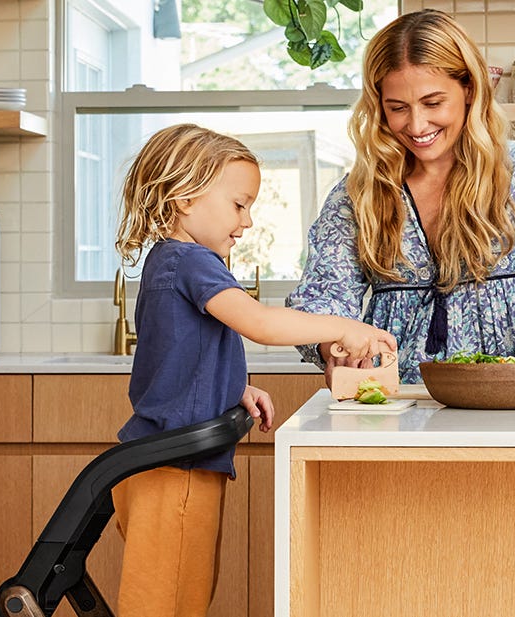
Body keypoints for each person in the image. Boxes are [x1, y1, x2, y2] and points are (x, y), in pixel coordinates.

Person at [287, 9, 515, 385]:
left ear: (469, 89)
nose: (416, 125)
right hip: (395, 410)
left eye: (433, 103)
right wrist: (334, 348)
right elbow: (321, 300)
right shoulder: (358, 195)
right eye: (397, 108)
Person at [112, 123, 396, 617]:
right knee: (165, 606)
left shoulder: (173, 261)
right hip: (173, 471)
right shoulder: (192, 261)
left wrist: (232, 387)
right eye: (239, 204)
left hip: (169, 466)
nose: (245, 222)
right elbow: (261, 324)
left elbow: (177, 354)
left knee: (181, 600)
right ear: (184, 196)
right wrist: (344, 326)